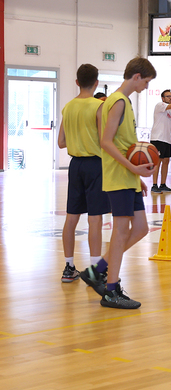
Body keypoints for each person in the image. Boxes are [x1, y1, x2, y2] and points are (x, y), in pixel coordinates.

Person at [80, 56, 157, 309]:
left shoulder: (124, 101)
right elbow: (106, 142)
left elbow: (125, 145)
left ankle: (97, 271)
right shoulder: (118, 101)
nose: (146, 86)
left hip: (128, 176)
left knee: (141, 228)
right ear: (136, 76)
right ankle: (111, 291)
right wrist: (133, 168)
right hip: (118, 175)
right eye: (146, 81)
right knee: (121, 232)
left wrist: (136, 175)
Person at [57, 64, 109, 283]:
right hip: (95, 165)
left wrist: (78, 139)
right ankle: (96, 270)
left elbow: (61, 142)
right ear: (96, 83)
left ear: (77, 82)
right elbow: (105, 141)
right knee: (95, 218)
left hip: (75, 165)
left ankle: (69, 267)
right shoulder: (99, 106)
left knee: (71, 217)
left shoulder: (68, 107)